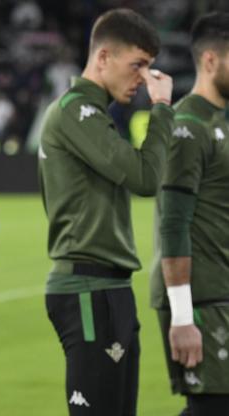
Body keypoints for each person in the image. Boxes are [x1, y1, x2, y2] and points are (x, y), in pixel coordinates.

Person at [38, 9, 173, 415]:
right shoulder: (76, 113)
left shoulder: (93, 115)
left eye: (148, 68)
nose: (143, 79)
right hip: (87, 288)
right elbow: (146, 178)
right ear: (103, 58)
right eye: (137, 66)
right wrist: (163, 108)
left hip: (106, 287)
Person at [150, 12, 229, 416]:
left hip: (221, 292)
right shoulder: (188, 126)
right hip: (198, 299)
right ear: (211, 60)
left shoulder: (219, 122)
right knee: (212, 407)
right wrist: (182, 317)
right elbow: (174, 222)